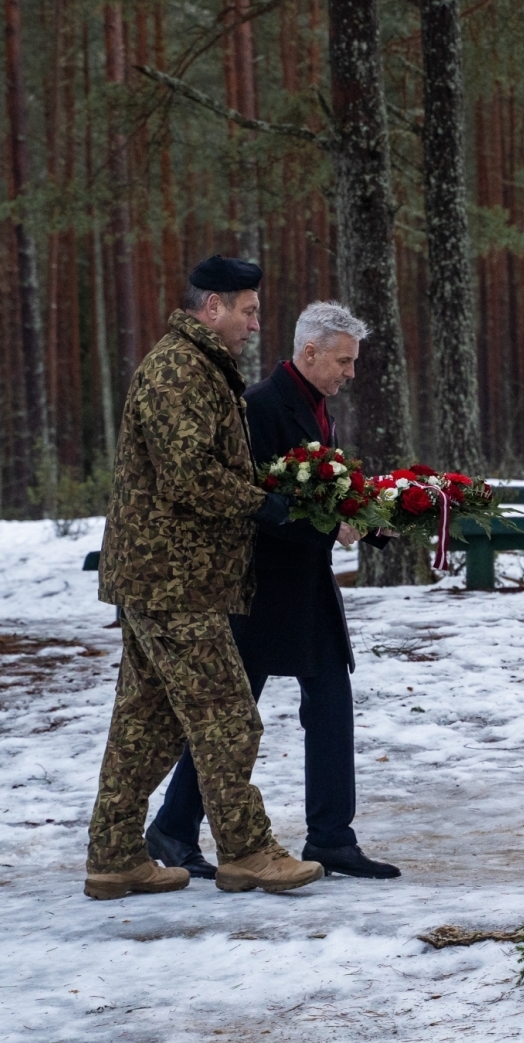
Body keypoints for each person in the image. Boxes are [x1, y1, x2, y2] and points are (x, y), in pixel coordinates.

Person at [84, 256, 324, 899]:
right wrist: (261, 504)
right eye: (246, 311)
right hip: (169, 578)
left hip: (171, 575)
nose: (253, 324)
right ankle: (247, 852)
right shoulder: (178, 369)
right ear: (211, 306)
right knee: (228, 715)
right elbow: (186, 473)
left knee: (146, 722)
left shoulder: (201, 367)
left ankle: (113, 858)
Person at [145, 301, 401, 881]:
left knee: (331, 701)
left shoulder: (315, 404)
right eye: (343, 361)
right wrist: (328, 524)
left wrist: (371, 518)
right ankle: (174, 825)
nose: (350, 373)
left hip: (306, 583)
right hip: (261, 587)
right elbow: (248, 500)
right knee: (233, 716)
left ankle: (332, 836)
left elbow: (323, 491)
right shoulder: (259, 406)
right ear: (308, 352)